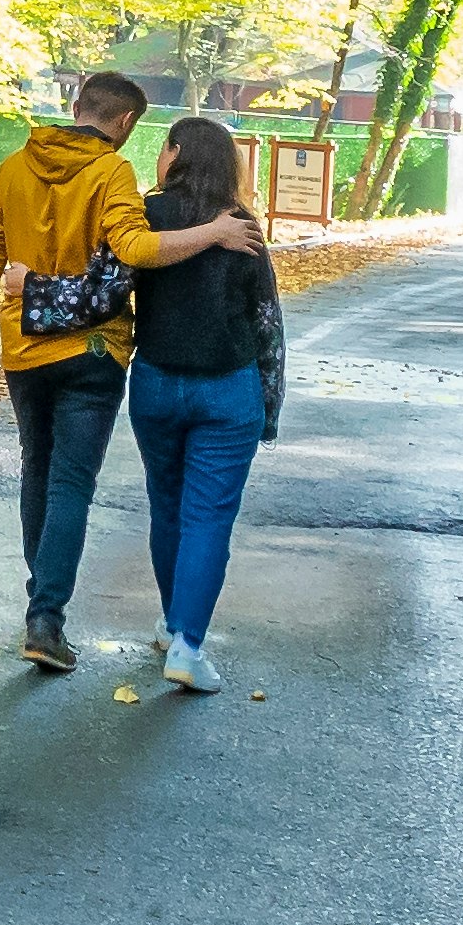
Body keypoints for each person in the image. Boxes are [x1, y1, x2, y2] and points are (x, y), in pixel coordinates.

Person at [0, 70, 269, 673]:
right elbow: (134, 250)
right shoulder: (111, 172)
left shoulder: (13, 169)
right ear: (126, 122)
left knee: (36, 471)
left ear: (75, 106)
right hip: (92, 353)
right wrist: (215, 232)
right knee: (71, 482)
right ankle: (45, 617)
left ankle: (41, 604)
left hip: (24, 347)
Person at [123, 113, 287, 692]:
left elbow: (111, 290)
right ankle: (189, 646)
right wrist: (270, 404)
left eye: (163, 147)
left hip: (156, 384)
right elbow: (265, 320)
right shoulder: (240, 226)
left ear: (174, 154)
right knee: (208, 517)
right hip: (227, 388)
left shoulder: (146, 216)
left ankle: (173, 626)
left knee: (166, 505)